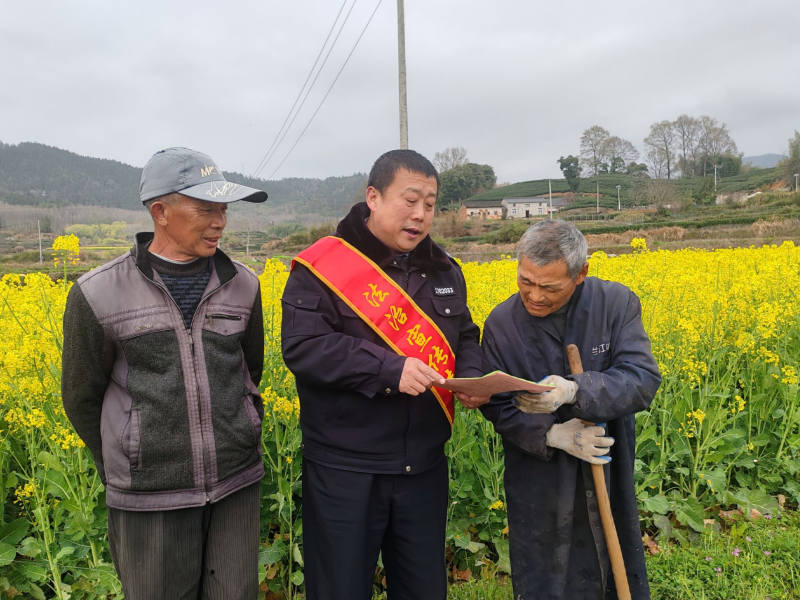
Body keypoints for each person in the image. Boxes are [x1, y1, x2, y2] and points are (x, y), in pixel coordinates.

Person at [281, 149, 489, 600]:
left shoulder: (443, 269)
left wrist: (471, 376)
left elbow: (465, 335)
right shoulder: (323, 266)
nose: (420, 215)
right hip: (346, 470)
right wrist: (388, 368)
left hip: (424, 467)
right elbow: (305, 347)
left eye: (430, 204)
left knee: (423, 589)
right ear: (373, 198)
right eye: (409, 201)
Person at [62, 147, 268, 600]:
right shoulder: (97, 294)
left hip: (235, 484)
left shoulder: (245, 284)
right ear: (160, 211)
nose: (220, 222)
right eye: (206, 209)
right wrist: (132, 459)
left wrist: (242, 429)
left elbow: (249, 372)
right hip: (149, 498)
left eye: (224, 209)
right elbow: (80, 397)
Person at [480, 220, 661, 600]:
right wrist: (550, 434)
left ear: (581, 273)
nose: (535, 296)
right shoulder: (501, 324)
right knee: (545, 569)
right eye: (526, 281)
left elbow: (642, 378)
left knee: (612, 558)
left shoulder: (614, 304)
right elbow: (496, 405)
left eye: (550, 287)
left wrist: (576, 390)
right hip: (538, 472)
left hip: (605, 457)